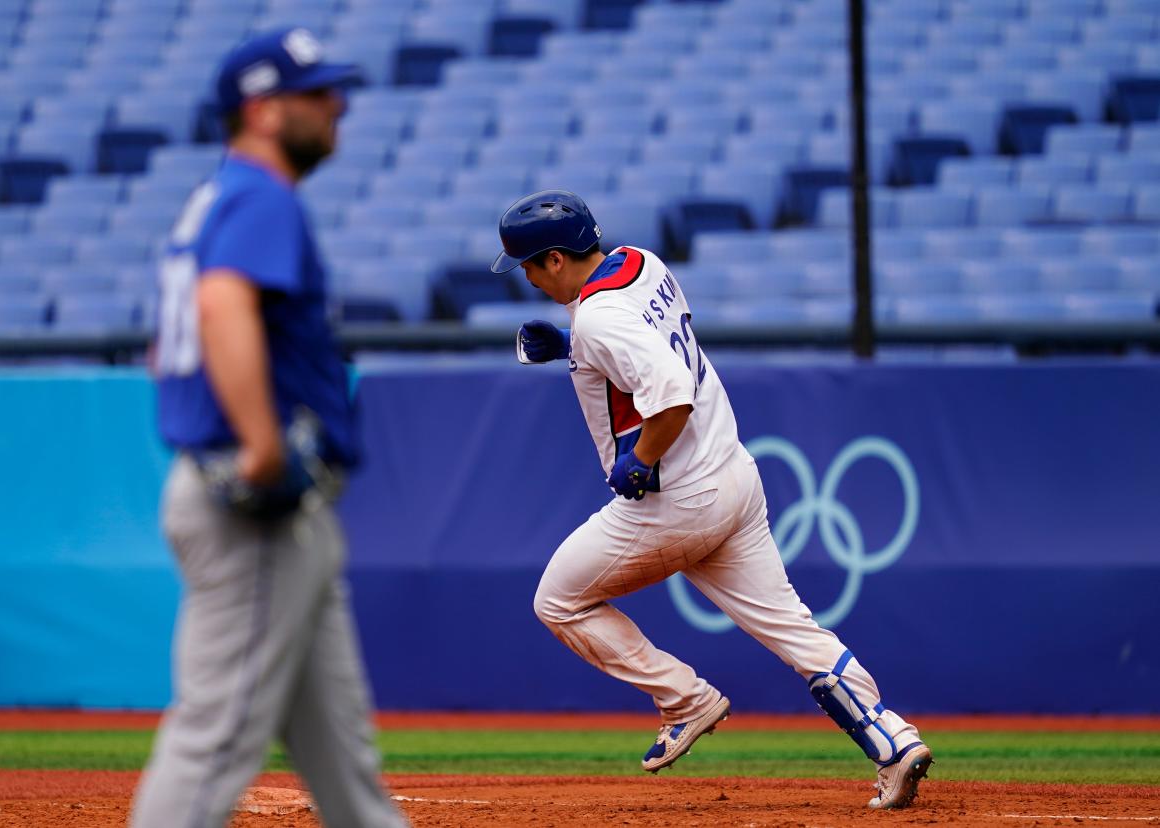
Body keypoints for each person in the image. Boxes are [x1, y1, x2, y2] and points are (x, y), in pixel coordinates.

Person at [490, 190, 933, 810]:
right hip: (734, 477)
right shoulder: (642, 262)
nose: (531, 280)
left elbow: (671, 396)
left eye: (532, 266)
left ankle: (685, 699)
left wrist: (640, 460)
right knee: (792, 627)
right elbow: (647, 344)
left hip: (677, 499)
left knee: (558, 601)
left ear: (557, 258)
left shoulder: (595, 317)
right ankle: (891, 738)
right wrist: (572, 349)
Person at [132, 28, 408, 828]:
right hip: (255, 508)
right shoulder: (258, 196)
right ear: (261, 110)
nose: (337, 106)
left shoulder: (218, 197)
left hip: (275, 510)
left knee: (346, 763)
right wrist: (258, 446)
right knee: (213, 743)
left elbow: (169, 339)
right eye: (318, 94)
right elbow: (220, 306)